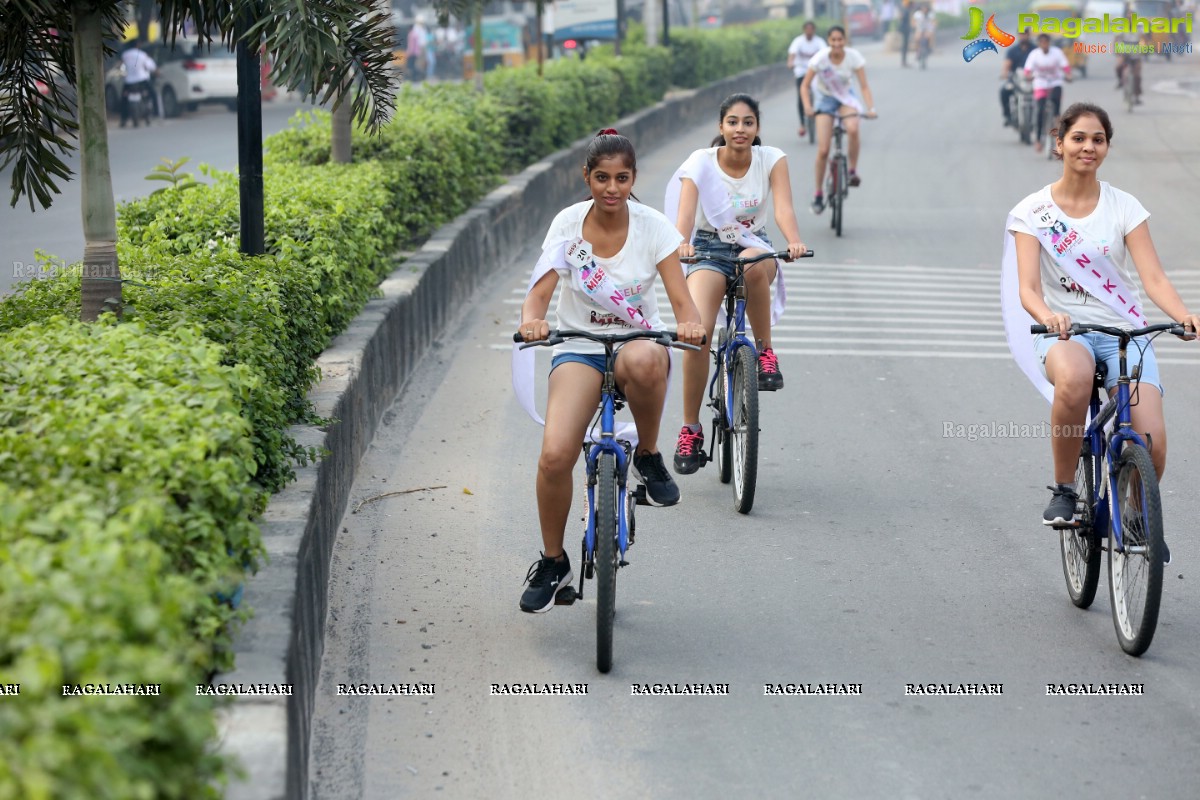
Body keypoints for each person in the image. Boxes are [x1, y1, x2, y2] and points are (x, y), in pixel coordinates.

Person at [516, 131, 705, 613]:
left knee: (643, 359)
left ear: (633, 179)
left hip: (637, 342)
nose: (612, 188)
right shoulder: (567, 225)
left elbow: (682, 300)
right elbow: (539, 293)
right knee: (555, 457)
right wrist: (532, 321)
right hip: (578, 347)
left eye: (622, 178)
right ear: (587, 178)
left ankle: (646, 452)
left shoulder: (653, 226)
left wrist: (690, 323)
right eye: (602, 178)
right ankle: (553, 559)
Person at [1002, 102, 1198, 532]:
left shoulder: (1124, 206)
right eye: (1078, 138)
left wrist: (1184, 315)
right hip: (1065, 331)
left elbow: (1153, 278)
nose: (1088, 147)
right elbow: (1028, 290)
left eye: (1098, 139)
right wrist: (1050, 316)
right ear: (1060, 144)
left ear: (1106, 147)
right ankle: (1064, 489)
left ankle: (1130, 515)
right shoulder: (1033, 213)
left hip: (1124, 329)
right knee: (1073, 378)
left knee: (1153, 442)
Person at [664, 94, 808, 474]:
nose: (740, 129)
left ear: (757, 127)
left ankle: (764, 353)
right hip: (708, 250)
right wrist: (681, 244)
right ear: (721, 126)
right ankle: (690, 429)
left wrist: (793, 239)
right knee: (698, 332)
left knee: (753, 265)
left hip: (753, 244)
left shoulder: (771, 159)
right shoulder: (701, 162)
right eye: (732, 122)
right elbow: (685, 215)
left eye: (747, 122)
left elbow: (783, 209)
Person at [800, 26, 877, 215]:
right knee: (824, 149)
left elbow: (864, 86)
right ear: (828, 41)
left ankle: (851, 171)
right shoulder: (820, 59)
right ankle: (818, 193)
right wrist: (808, 107)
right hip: (825, 100)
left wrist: (871, 108)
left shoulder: (854, 57)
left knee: (852, 127)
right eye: (833, 40)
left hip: (845, 98)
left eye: (840, 39)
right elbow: (805, 86)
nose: (836, 43)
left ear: (845, 40)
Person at [1024, 33, 1071, 154]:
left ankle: (1059, 134)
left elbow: (1065, 66)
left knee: (1056, 107)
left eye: (1046, 42)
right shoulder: (1034, 54)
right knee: (1039, 110)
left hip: (1055, 81)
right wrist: (1028, 76)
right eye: (1042, 42)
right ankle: (1039, 139)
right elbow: (1028, 69)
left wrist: (1068, 74)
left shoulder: (1057, 53)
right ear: (1039, 43)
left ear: (1049, 43)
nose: (1044, 44)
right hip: (1040, 83)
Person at [787, 21, 826, 140]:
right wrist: (790, 62)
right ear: (804, 30)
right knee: (801, 96)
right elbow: (792, 54)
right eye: (807, 29)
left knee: (820, 93)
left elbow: (825, 55)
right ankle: (803, 124)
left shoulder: (819, 42)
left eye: (811, 29)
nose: (809, 32)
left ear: (814, 30)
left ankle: (821, 119)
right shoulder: (798, 41)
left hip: (815, 72)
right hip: (801, 71)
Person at [1000, 29, 1035, 132]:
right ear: (1018, 35)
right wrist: (1004, 73)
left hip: (1033, 80)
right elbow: (1007, 65)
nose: (1023, 36)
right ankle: (1008, 116)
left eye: (1025, 34)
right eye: (1021, 34)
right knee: (1004, 91)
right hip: (1016, 80)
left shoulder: (1035, 50)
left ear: (1029, 35)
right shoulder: (1012, 51)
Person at [119, 38, 156, 128]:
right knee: (153, 94)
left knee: (123, 99)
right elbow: (150, 66)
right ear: (138, 45)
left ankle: (123, 120)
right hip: (142, 80)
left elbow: (121, 67)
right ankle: (157, 114)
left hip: (129, 82)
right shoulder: (143, 55)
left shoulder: (125, 55)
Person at [1113, 6, 1143, 104]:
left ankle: (1137, 96)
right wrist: (1116, 49)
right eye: (1128, 15)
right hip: (1124, 49)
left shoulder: (1140, 25)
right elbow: (1116, 39)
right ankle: (1120, 82)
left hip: (1136, 50)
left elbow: (1144, 38)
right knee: (1118, 67)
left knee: (1137, 75)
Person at [406, 17, 427, 82]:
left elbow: (411, 45)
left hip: (414, 52)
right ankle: (417, 77)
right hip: (418, 51)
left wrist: (409, 52)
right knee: (415, 65)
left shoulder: (412, 34)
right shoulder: (416, 31)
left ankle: (416, 77)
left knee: (413, 66)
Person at [898, 0, 913, 67]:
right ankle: (904, 61)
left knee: (905, 46)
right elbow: (902, 18)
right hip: (905, 30)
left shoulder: (905, 9)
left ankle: (904, 61)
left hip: (906, 29)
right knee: (905, 46)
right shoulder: (905, 10)